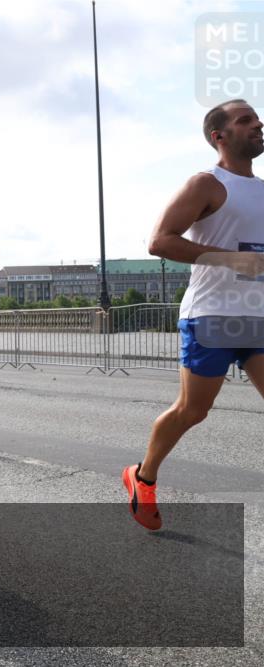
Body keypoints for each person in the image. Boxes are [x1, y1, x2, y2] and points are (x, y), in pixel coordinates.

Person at [125, 99, 264, 531]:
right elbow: (160, 241)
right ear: (218, 136)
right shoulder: (206, 184)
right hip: (211, 315)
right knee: (192, 411)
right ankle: (142, 478)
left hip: (257, 317)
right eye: (246, 120)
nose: (258, 123)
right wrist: (234, 262)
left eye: (257, 118)